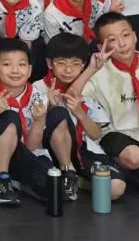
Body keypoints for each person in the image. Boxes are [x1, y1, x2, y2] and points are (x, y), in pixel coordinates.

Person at [81, 12, 139, 193]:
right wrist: (90, 70)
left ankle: (124, 170)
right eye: (112, 40)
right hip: (111, 134)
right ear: (101, 46)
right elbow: (74, 98)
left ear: (135, 36)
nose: (122, 43)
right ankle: (106, 168)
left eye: (125, 35)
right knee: (134, 156)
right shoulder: (99, 72)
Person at [37, 33, 126, 201]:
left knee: (115, 188)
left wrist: (80, 112)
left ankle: (79, 182)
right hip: (48, 149)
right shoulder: (37, 88)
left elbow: (96, 134)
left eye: (75, 64)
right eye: (61, 63)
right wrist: (50, 107)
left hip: (82, 148)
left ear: (83, 65)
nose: (68, 70)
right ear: (49, 63)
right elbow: (70, 95)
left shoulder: (89, 87)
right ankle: (67, 170)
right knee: (58, 113)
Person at [0, 39, 54, 206]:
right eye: (7, 64)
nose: (15, 70)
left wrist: (39, 120)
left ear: (29, 70)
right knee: (10, 117)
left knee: (50, 186)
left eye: (21, 65)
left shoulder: (38, 96)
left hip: (22, 152)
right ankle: (0, 178)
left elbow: (31, 146)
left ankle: (15, 181)